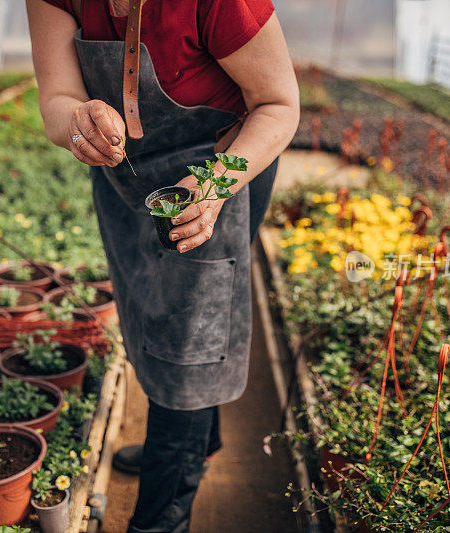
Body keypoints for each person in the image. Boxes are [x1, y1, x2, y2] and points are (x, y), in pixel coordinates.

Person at [25, 0, 299, 530]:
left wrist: (216, 185)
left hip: (226, 165)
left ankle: (159, 517)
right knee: (153, 310)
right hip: (129, 179)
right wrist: (79, 119)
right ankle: (202, 441)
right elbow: (57, 98)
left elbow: (278, 104)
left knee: (189, 342)